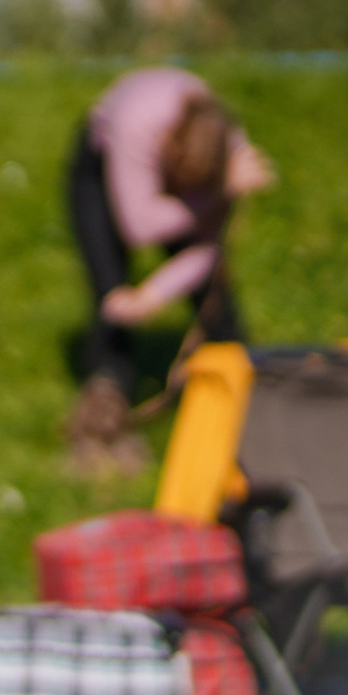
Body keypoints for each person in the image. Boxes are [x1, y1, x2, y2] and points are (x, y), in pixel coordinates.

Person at [67, 67, 271, 459]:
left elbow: (206, 250)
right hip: (104, 158)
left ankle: (243, 400)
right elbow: (139, 227)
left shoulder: (229, 152)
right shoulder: (137, 127)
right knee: (111, 293)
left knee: (215, 296)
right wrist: (212, 196)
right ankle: (104, 412)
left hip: (204, 182)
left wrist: (155, 293)